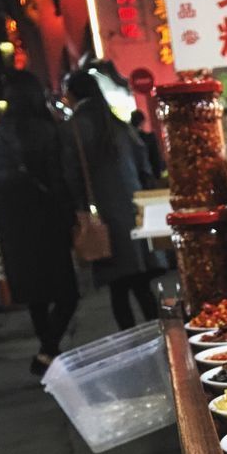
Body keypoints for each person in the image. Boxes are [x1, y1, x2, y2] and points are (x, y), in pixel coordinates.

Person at [0, 70, 78, 377]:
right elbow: (60, 180)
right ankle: (47, 352)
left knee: (35, 296)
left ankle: (48, 351)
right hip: (47, 223)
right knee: (67, 294)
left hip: (12, 225)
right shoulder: (46, 131)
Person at [63, 70, 157, 330]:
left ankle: (131, 338)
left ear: (72, 95)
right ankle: (158, 335)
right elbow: (144, 164)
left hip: (103, 216)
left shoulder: (73, 129)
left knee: (119, 289)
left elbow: (71, 176)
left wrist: (78, 210)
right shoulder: (117, 123)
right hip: (133, 213)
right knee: (141, 285)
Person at [130, 108, 162, 179]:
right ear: (142, 122)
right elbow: (155, 159)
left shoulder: (126, 137)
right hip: (146, 175)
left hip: (132, 176)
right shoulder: (148, 138)